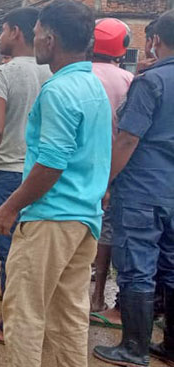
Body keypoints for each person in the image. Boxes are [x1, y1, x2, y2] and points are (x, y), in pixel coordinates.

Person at [0, 0, 109, 366]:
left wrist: (10, 206)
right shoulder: (93, 86)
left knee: (23, 314)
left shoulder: (58, 91)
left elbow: (52, 164)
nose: (36, 37)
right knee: (68, 317)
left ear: (50, 39)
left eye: (39, 31)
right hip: (84, 219)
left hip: (50, 217)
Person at [92, 10, 174, 367]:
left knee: (137, 265)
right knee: (171, 267)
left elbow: (127, 140)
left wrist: (104, 182)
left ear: (155, 40)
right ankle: (169, 346)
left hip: (142, 189)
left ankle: (134, 347)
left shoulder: (150, 82)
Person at [0, 7, 52, 346]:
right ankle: (10, 295)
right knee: (34, 247)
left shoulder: (0, 74)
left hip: (7, 170)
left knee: (10, 247)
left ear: (16, 32)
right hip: (44, 172)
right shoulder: (53, 71)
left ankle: (8, 327)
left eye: (2, 31)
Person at [87, 18, 135, 326]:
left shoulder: (81, 75)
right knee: (108, 231)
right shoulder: (129, 80)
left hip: (81, 164)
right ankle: (98, 294)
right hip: (119, 165)